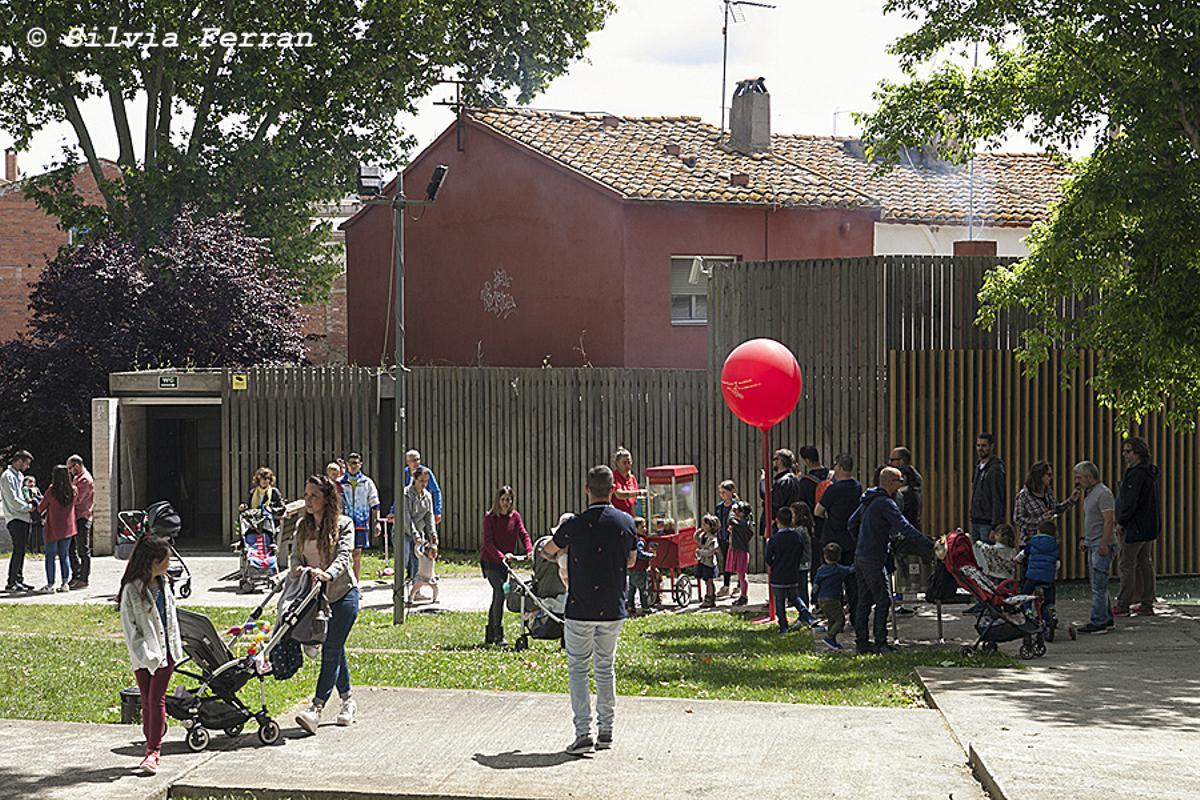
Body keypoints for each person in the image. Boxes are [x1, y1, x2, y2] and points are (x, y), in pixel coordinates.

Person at [543, 465, 637, 755]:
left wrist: (559, 549)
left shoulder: (573, 525)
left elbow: (547, 550)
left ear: (586, 489)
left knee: (579, 668)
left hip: (580, 607)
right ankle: (606, 730)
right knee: (605, 667)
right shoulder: (626, 522)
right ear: (613, 490)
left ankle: (583, 732)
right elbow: (632, 560)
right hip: (612, 606)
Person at [293, 475, 360, 734]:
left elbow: (344, 555)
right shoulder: (302, 526)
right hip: (315, 598)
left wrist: (328, 573)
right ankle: (348, 701)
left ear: (327, 499)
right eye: (306, 495)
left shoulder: (344, 525)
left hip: (343, 595)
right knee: (336, 647)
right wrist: (297, 569)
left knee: (331, 648)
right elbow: (296, 556)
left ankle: (316, 708)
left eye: (314, 496)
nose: (308, 501)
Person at [848, 467, 934, 654]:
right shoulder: (886, 503)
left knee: (864, 600)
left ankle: (861, 642)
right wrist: (928, 543)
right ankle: (880, 642)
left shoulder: (868, 499)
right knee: (884, 600)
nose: (901, 484)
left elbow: (851, 523)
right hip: (873, 558)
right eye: (899, 481)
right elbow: (904, 527)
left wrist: (863, 541)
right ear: (889, 483)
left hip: (861, 555)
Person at [119, 535, 183, 775]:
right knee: (146, 701)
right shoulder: (132, 590)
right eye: (166, 559)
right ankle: (154, 736)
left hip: (167, 654)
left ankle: (153, 751)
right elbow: (130, 628)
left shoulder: (165, 584)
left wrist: (171, 650)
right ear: (154, 562)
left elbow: (171, 620)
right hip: (145, 655)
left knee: (156, 699)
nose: (170, 563)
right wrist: (147, 656)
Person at [480, 485, 533, 646]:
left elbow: (523, 534)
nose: (505, 503)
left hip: (505, 564)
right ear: (498, 500)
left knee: (497, 596)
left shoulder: (515, 516)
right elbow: (488, 542)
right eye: (503, 500)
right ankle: (498, 634)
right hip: (490, 562)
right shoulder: (490, 517)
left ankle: (489, 633)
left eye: (508, 500)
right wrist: (501, 556)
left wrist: (529, 550)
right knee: (500, 593)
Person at [1114, 437, 1160, 616]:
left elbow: (1130, 502)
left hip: (1135, 527)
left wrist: (1122, 522)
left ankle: (1124, 603)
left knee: (1127, 564)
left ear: (1138, 454)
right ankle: (1147, 602)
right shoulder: (1150, 473)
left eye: (1128, 452)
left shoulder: (1135, 474)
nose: (1124, 455)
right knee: (1145, 563)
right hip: (1149, 526)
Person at [814, 453, 862, 615]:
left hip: (833, 539)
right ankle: (855, 615)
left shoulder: (833, 489)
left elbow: (818, 511)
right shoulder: (857, 487)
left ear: (840, 467)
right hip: (851, 539)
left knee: (831, 580)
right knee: (852, 581)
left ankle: (833, 616)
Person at [1074, 461, 1117, 634]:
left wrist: (1104, 544)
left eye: (1079, 477)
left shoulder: (1103, 494)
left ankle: (1098, 621)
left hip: (1101, 544)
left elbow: (1109, 520)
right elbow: (1092, 520)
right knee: (1099, 584)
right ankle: (1106, 618)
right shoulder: (1091, 493)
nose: (1077, 481)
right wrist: (1085, 539)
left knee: (1098, 586)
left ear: (1089, 477)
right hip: (1093, 543)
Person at [763, 505, 818, 633]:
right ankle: (807, 615)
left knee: (780, 602)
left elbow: (768, 557)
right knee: (796, 598)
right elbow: (800, 551)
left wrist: (774, 564)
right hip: (792, 573)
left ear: (777, 521)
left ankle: (783, 626)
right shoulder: (796, 537)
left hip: (778, 574)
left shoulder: (774, 539)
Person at [1013, 461, 1079, 544]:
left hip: (1050, 539)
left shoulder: (1047, 492)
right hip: (1031, 542)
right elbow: (1018, 519)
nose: (1051, 478)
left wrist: (1071, 500)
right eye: (1048, 475)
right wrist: (1040, 520)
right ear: (1039, 476)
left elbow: (1056, 509)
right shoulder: (1023, 496)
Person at [337, 453, 379, 581]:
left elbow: (374, 502)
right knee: (343, 553)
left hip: (360, 522)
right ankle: (344, 583)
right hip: (343, 523)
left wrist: (377, 522)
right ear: (346, 465)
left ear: (360, 465)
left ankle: (355, 583)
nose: (353, 466)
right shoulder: (339, 483)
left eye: (356, 463)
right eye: (351, 463)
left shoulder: (367, 482)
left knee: (357, 554)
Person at [37, 465, 77, 593]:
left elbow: (41, 507)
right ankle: (65, 583)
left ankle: (50, 584)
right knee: (64, 555)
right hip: (68, 527)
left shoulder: (51, 490)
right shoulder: (74, 490)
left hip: (53, 527)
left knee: (50, 556)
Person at [1018, 518, 1061, 639]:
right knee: (1049, 593)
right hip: (1047, 577)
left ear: (1038, 531)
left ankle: (1027, 610)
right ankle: (1050, 609)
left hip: (1032, 576)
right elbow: (1057, 561)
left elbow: (1023, 553)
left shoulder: (1032, 542)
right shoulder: (1054, 544)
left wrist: (1017, 559)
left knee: (1026, 593)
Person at [2, 450, 36, 593]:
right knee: (18, 549)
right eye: (26, 463)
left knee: (22, 550)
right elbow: (13, 500)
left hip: (24, 517)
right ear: (20, 461)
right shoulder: (7, 476)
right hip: (15, 517)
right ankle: (11, 581)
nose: (27, 467)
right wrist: (28, 508)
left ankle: (19, 579)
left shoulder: (20, 475)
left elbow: (23, 494)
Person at [405, 466, 439, 605]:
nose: (423, 484)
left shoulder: (427, 496)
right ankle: (400, 590)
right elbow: (406, 517)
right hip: (404, 532)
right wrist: (414, 534)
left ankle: (415, 592)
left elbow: (429, 516)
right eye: (421, 481)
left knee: (418, 563)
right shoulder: (406, 493)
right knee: (406, 558)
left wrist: (432, 533)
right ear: (414, 479)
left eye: (426, 481)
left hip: (419, 532)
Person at [812, 543, 854, 650]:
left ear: (824, 556)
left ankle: (832, 642)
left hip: (821, 599)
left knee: (831, 619)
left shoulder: (820, 570)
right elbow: (850, 570)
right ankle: (829, 637)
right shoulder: (839, 569)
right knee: (840, 620)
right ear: (839, 556)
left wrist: (814, 597)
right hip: (833, 599)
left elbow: (816, 585)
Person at [969, 433, 1007, 543]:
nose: (980, 448)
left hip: (987, 522)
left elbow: (998, 498)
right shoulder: (978, 467)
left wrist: (995, 526)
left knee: (986, 556)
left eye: (984, 446)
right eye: (978, 445)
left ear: (991, 446)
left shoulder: (995, 469)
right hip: (975, 520)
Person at [66, 455, 95, 589]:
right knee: (71, 548)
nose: (70, 471)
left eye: (70, 468)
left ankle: (84, 579)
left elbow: (78, 500)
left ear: (77, 465)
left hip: (82, 517)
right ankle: (76, 574)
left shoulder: (84, 480)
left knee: (83, 549)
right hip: (74, 517)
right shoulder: (77, 478)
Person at [759, 449, 803, 534]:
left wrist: (763, 480)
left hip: (779, 526)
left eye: (775, 459)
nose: (773, 462)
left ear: (780, 461)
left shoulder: (784, 481)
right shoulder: (794, 479)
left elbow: (771, 501)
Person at [403, 449, 443, 524]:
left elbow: (436, 491)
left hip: (422, 508)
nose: (416, 462)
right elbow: (400, 493)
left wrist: (437, 511)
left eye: (418, 459)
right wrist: (393, 511)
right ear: (408, 462)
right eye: (413, 460)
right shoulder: (405, 473)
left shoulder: (426, 472)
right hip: (408, 508)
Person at [714, 480, 739, 598]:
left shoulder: (737, 506)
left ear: (732, 491)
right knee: (726, 561)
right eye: (721, 492)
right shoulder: (719, 507)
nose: (722, 495)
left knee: (738, 560)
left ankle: (740, 585)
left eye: (724, 492)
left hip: (735, 538)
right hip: (722, 537)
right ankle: (726, 586)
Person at [789, 501, 815, 610]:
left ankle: (804, 611)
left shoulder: (799, 530)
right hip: (804, 562)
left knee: (800, 588)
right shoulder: (805, 528)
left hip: (800, 562)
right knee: (801, 587)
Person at [727, 502, 753, 607]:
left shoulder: (741, 524)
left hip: (741, 551)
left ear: (742, 513)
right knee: (740, 575)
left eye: (738, 510)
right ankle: (742, 595)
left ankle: (744, 596)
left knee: (742, 575)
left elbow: (730, 519)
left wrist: (731, 510)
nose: (735, 511)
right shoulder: (745, 523)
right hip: (738, 549)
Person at [626, 516, 653, 614]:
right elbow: (640, 554)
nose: (645, 529)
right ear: (636, 528)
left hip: (632, 568)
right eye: (642, 527)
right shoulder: (640, 541)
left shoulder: (632, 539)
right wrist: (650, 555)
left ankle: (630, 607)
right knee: (643, 589)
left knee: (631, 590)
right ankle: (645, 607)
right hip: (640, 568)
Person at [694, 514, 721, 607]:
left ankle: (710, 597)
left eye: (705, 525)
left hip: (709, 563)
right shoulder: (703, 535)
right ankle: (709, 596)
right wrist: (698, 532)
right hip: (703, 561)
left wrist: (701, 552)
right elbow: (696, 539)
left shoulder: (713, 539)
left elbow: (710, 552)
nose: (703, 526)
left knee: (709, 581)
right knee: (705, 580)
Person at [611, 447, 640, 517]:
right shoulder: (614, 476)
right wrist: (640, 492)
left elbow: (633, 502)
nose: (627, 465)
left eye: (629, 462)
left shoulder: (632, 478)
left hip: (629, 516)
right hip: (617, 516)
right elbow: (619, 494)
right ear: (617, 463)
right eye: (624, 463)